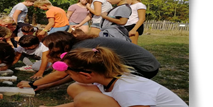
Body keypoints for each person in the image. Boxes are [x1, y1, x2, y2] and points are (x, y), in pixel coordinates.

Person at [32, 47, 189, 107]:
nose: (69, 77)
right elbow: (99, 102)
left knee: (84, 99)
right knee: (77, 91)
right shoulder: (109, 80)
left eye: (69, 74)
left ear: (86, 75)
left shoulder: (129, 90)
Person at [17, 31, 160, 90]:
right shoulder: (80, 45)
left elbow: (62, 74)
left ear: (61, 46)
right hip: (147, 66)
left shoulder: (79, 50)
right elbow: (71, 74)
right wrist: (43, 86)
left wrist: (32, 84)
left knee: (95, 85)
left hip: (143, 69)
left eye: (50, 47)